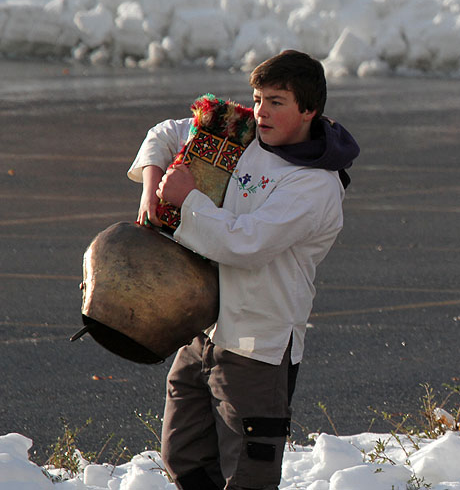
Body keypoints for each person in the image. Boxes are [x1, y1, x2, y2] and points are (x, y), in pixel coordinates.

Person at [127, 49, 360, 490]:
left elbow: (246, 242)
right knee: (184, 458)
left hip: (259, 346)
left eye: (277, 102)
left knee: (248, 476)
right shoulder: (242, 135)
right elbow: (165, 133)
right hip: (203, 329)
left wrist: (187, 199)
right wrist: (152, 186)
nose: (260, 112)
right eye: (257, 99)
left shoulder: (316, 183)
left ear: (309, 109)